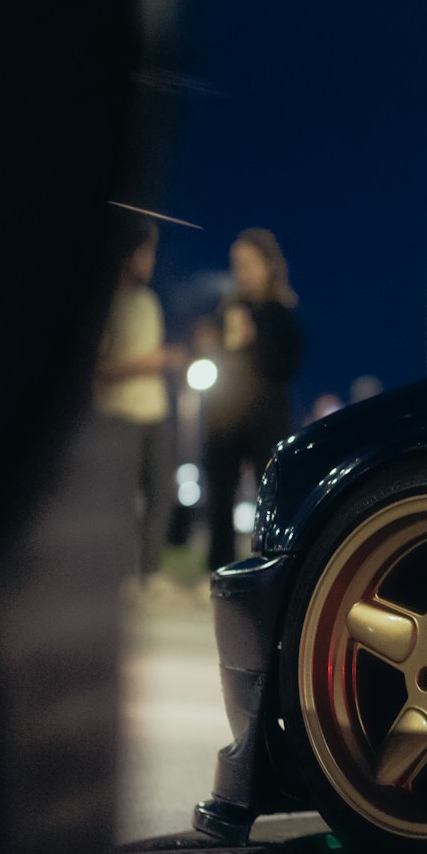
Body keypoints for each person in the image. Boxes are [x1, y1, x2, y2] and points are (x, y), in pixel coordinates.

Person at [93, 215, 185, 595]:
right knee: (118, 501)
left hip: (154, 413)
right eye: (146, 253)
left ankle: (149, 574)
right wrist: (149, 362)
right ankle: (111, 575)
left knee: (161, 494)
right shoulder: (110, 302)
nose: (150, 262)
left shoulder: (149, 301)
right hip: (119, 414)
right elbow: (100, 368)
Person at [203, 227, 302, 570]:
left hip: (266, 415)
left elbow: (289, 365)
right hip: (225, 415)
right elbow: (215, 357)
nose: (241, 271)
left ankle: (269, 568)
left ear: (267, 265)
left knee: (270, 495)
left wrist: (255, 337)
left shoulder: (281, 311)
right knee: (220, 495)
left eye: (248, 263)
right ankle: (218, 570)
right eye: (236, 264)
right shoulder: (228, 309)